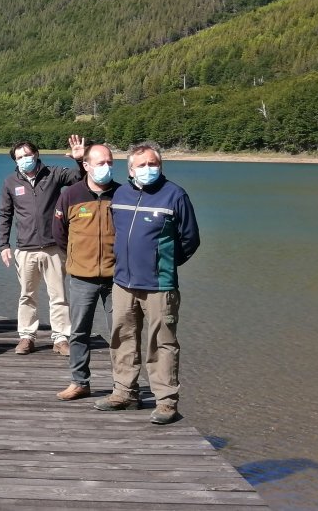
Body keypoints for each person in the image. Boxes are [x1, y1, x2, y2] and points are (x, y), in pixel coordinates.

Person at [94, 142, 200, 425]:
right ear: (130, 169)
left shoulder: (175, 195)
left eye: (153, 164)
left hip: (159, 286)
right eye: (141, 165)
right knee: (122, 338)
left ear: (161, 166)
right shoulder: (120, 195)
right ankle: (124, 393)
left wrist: (163, 262)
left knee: (162, 343)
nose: (148, 169)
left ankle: (166, 402)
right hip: (123, 283)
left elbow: (190, 239)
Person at [0, 136, 86, 356]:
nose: (24, 159)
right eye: (19, 157)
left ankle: (61, 338)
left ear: (36, 154)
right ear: (15, 161)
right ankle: (27, 336)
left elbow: (81, 179)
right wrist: (3, 244)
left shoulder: (53, 174)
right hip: (25, 248)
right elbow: (5, 214)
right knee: (27, 295)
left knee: (58, 295)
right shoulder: (10, 182)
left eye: (27, 155)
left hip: (53, 247)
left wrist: (80, 160)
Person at [52, 143, 120, 400]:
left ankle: (123, 386)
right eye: (100, 163)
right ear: (87, 166)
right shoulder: (71, 195)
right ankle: (80, 382)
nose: (106, 167)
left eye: (110, 162)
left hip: (118, 278)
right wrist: (77, 257)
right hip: (82, 277)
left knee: (122, 333)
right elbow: (59, 233)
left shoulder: (123, 194)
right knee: (79, 332)